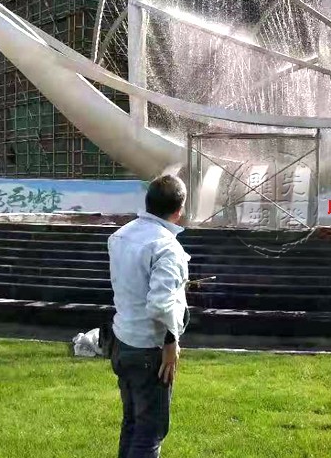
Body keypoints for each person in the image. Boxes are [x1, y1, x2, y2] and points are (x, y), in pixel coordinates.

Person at [108, 174, 191, 458]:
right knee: (149, 433)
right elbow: (160, 305)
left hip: (122, 341)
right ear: (179, 210)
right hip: (148, 349)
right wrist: (171, 344)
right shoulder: (167, 247)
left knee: (132, 424)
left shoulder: (121, 235)